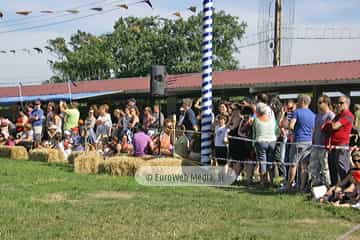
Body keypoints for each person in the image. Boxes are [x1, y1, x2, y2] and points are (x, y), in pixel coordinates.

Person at [284, 95, 315, 192]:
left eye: (298, 101)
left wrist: (290, 128)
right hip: (309, 142)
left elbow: (291, 125)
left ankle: (289, 186)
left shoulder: (297, 112)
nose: (297, 102)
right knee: (304, 165)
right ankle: (302, 187)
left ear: (302, 101)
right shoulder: (313, 114)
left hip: (298, 141)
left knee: (293, 164)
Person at [323, 96, 354, 186]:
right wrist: (328, 124)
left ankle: (345, 191)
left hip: (341, 146)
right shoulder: (338, 115)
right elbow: (324, 127)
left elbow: (334, 126)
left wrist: (329, 124)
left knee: (342, 169)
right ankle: (334, 190)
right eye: (338, 103)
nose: (338, 105)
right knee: (332, 169)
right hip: (332, 146)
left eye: (341, 103)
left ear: (347, 104)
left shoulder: (348, 115)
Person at [308, 95, 335, 187]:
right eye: (317, 102)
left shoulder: (331, 115)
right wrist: (313, 141)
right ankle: (315, 186)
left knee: (325, 168)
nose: (318, 104)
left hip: (324, 146)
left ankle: (328, 186)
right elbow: (315, 129)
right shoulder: (318, 115)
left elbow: (332, 131)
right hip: (316, 145)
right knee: (313, 167)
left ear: (326, 103)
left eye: (320, 102)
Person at [253, 103, 277, 185]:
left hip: (261, 141)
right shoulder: (272, 119)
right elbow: (275, 129)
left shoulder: (256, 120)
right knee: (270, 161)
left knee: (262, 162)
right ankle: (271, 181)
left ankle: (263, 181)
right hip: (272, 141)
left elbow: (254, 132)